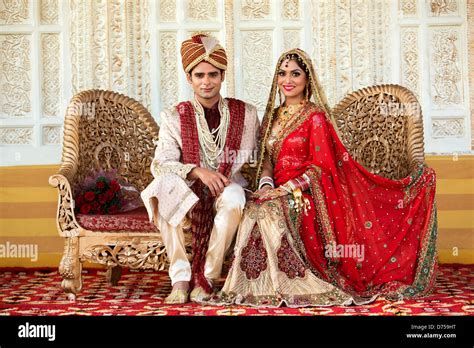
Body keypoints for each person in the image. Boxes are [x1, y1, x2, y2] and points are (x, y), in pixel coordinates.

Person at [207, 48, 437, 307]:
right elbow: (267, 160)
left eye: (295, 74)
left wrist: (286, 190)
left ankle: (292, 283)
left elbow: (321, 169)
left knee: (269, 211)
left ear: (307, 78)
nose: (287, 80)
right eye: (282, 74)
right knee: (255, 207)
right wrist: (266, 185)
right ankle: (259, 285)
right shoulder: (272, 116)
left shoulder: (315, 117)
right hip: (276, 189)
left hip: (308, 194)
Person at [141, 34, 259, 304]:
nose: (206, 81)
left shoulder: (247, 114)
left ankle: (207, 277)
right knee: (161, 189)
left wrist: (265, 181)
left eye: (213, 74)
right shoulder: (173, 117)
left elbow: (262, 155)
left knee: (234, 199)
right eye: (199, 75)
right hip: (188, 188)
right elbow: (161, 163)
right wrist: (197, 171)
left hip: (227, 184)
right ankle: (180, 277)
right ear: (189, 78)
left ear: (222, 76)